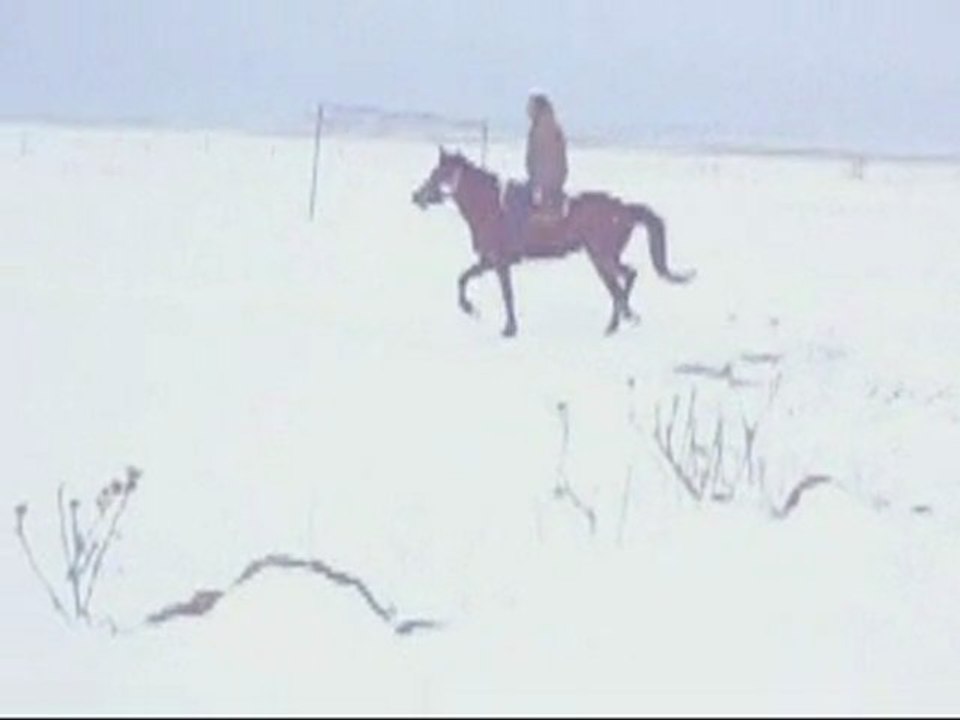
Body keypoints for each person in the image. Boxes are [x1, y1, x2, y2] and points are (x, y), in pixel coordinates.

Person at [524, 92, 568, 215]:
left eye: (531, 108)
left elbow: (546, 158)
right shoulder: (543, 126)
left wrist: (538, 182)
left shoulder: (545, 128)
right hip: (545, 180)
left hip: (547, 182)